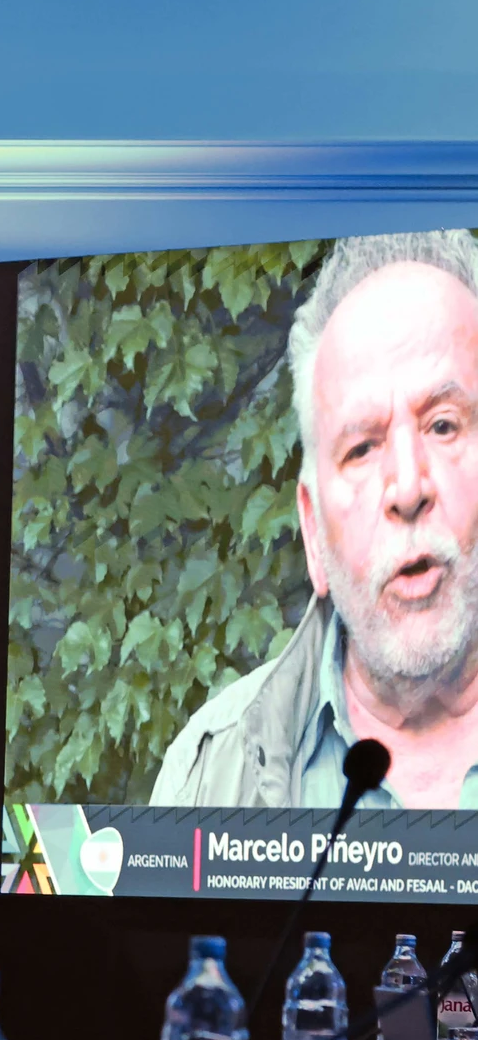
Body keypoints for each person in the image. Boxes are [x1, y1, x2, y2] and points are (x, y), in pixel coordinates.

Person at [153, 230, 478, 808]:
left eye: (443, 425)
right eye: (362, 448)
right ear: (312, 532)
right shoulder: (203, 780)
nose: (408, 487)